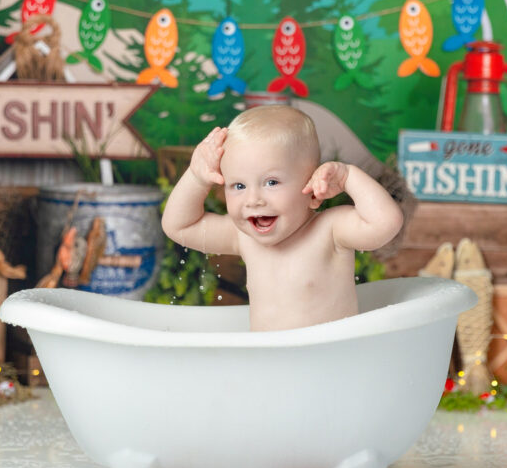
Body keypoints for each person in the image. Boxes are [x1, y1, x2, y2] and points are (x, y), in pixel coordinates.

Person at [161, 105, 404, 331]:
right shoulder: (243, 237)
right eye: (238, 185)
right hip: (272, 367)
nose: (253, 199)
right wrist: (196, 178)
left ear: (311, 183)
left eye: (272, 182)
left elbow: (386, 223)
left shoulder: (330, 230)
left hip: (328, 365)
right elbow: (179, 226)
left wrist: (347, 176)